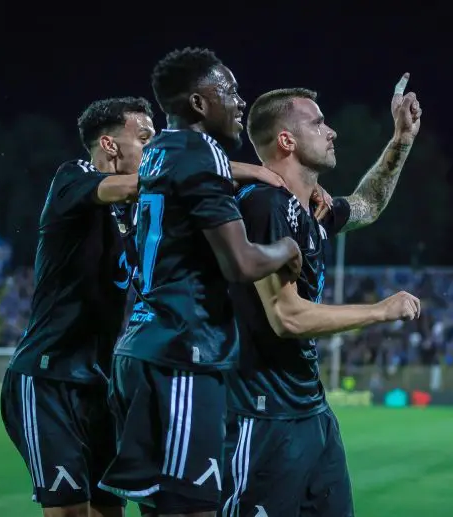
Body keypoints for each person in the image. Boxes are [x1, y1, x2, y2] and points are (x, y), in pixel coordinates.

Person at [97, 47, 302, 517]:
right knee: (193, 508)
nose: (240, 100)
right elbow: (241, 263)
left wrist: (253, 172)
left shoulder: (158, 152)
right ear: (198, 103)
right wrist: (287, 248)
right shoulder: (202, 153)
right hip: (184, 353)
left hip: (142, 349)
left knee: (161, 506)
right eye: (228, 90)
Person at [221, 74, 423, 517]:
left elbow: (368, 204)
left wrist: (401, 140)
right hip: (262, 414)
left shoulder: (309, 210)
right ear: (287, 141)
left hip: (311, 413)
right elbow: (287, 317)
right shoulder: (264, 205)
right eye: (317, 123)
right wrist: (379, 311)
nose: (331, 132)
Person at [0, 97, 156, 517]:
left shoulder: (131, 213)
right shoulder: (73, 177)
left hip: (99, 385)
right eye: (145, 138)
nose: (154, 148)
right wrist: (224, 167)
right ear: (109, 144)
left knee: (109, 510)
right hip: (48, 377)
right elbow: (132, 185)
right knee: (69, 511)